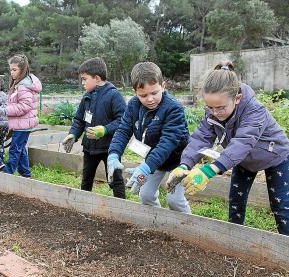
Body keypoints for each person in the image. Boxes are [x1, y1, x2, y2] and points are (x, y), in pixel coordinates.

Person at [166, 61, 289, 234]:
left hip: (275, 155)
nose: (215, 113)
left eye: (220, 108)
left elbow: (242, 143)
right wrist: (184, 164)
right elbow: (200, 138)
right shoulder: (214, 111)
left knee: (281, 206)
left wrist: (209, 170)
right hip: (242, 160)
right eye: (210, 107)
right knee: (236, 201)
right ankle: (234, 238)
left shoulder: (254, 110)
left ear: (237, 98)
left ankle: (286, 245)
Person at [107, 62, 191, 212]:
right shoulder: (133, 105)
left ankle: (189, 229)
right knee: (145, 195)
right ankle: (158, 223)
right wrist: (113, 155)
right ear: (135, 92)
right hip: (154, 160)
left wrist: (146, 167)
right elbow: (123, 130)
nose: (150, 99)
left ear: (163, 86)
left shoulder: (173, 108)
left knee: (174, 200)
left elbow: (168, 142)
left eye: (154, 93)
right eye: (143, 95)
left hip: (178, 160)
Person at [62, 57, 126, 199]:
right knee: (86, 179)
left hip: (110, 147)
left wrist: (105, 129)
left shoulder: (114, 95)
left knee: (115, 179)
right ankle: (84, 204)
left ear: (97, 78)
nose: (83, 83)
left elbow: (123, 120)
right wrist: (73, 134)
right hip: (90, 147)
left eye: (85, 79)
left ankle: (122, 206)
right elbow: (79, 120)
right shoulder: (87, 97)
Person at [4, 54, 41, 177]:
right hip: (21, 123)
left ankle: (7, 174)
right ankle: (25, 174)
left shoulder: (24, 86)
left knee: (15, 149)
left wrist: (5, 110)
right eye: (11, 69)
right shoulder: (20, 84)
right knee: (20, 149)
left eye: (14, 70)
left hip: (23, 124)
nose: (12, 73)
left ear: (23, 69)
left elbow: (24, 107)